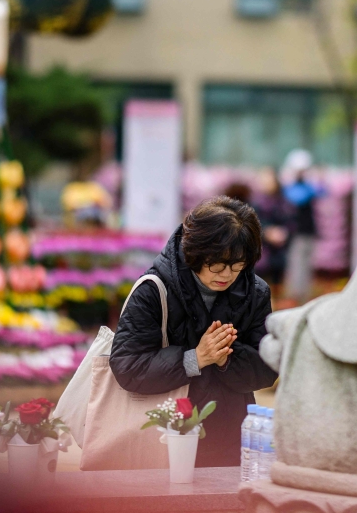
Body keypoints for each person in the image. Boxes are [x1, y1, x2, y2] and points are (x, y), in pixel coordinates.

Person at [110, 196, 278, 467]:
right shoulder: (153, 290)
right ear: (195, 253)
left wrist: (227, 358)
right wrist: (195, 358)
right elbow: (127, 366)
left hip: (229, 438)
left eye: (238, 267)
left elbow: (267, 369)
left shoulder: (255, 292)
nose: (227, 275)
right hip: (162, 437)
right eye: (218, 265)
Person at [281, 150, 320, 303]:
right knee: (297, 263)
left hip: (308, 230)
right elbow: (298, 198)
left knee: (306, 264)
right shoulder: (291, 187)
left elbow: (323, 191)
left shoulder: (307, 185)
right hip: (296, 232)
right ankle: (296, 294)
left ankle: (304, 293)